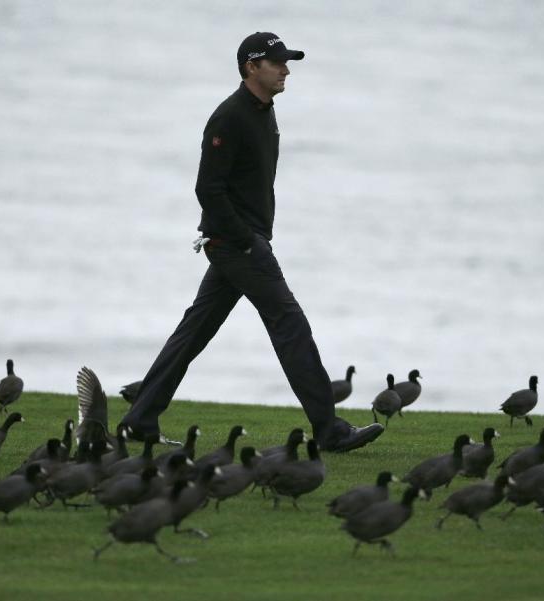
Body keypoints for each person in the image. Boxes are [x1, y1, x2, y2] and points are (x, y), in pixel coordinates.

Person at [118, 32, 383, 453]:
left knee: (195, 330)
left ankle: (140, 419)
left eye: (287, 62)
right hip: (237, 244)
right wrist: (244, 241)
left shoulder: (264, 111)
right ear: (250, 67)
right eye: (277, 63)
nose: (286, 70)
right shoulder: (230, 117)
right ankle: (328, 429)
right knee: (289, 322)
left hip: (241, 241)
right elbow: (208, 188)